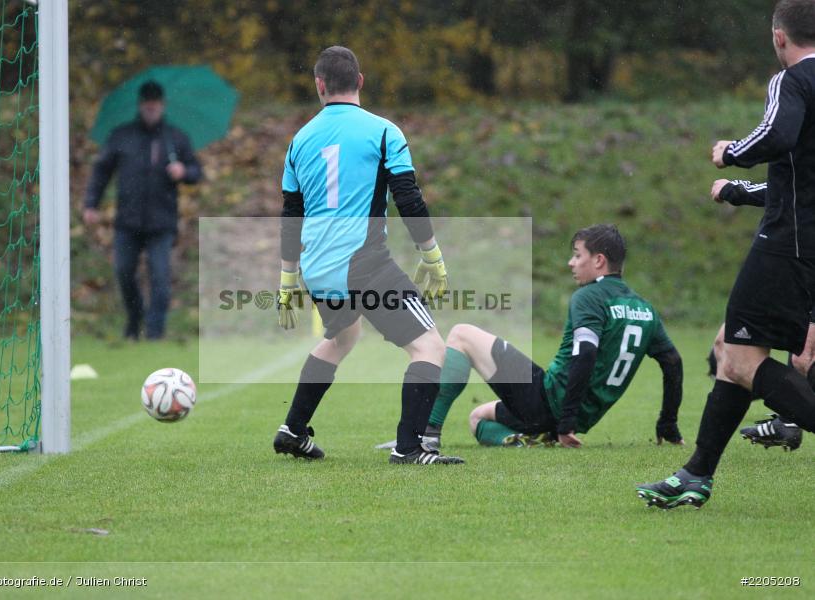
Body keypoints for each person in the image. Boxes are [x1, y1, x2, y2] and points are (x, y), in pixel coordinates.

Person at [637, 0, 815, 510]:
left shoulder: (793, 80)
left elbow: (777, 136)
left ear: (779, 37)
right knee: (739, 349)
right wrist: (739, 191)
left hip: (788, 247)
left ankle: (697, 474)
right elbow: (798, 181)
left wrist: (732, 150)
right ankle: (697, 473)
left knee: (736, 358)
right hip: (804, 242)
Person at [271, 46, 463, 465]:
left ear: (319, 86)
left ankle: (293, 429)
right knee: (430, 348)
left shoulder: (299, 140)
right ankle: (409, 448)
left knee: (342, 336)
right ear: (360, 82)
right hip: (364, 264)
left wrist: (288, 278)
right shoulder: (382, 131)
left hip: (317, 268)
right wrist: (431, 255)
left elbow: (291, 214)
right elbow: (407, 196)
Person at [414, 224, 684, 450]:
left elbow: (586, 354)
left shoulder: (589, 297)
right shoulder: (645, 310)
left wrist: (564, 422)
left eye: (578, 255)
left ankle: (425, 434)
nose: (571, 262)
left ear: (599, 260)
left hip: (549, 402)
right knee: (477, 417)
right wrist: (668, 423)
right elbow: (673, 363)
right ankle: (527, 440)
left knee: (462, 334)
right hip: (579, 416)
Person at [83, 80, 202, 340]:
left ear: (162, 105)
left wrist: (183, 171)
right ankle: (134, 319)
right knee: (124, 272)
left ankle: (154, 332)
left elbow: (196, 171)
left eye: (155, 104)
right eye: (147, 104)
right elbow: (102, 172)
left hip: (162, 222)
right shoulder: (121, 136)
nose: (151, 108)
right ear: (140, 105)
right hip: (127, 221)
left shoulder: (175, 137)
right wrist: (91, 203)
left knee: (160, 278)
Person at [705, 180, 805, 451]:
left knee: (802, 358)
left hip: (794, 261)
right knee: (725, 345)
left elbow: (785, 188)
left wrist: (733, 185)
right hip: (787, 262)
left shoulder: (795, 145)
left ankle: (787, 420)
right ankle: (698, 469)